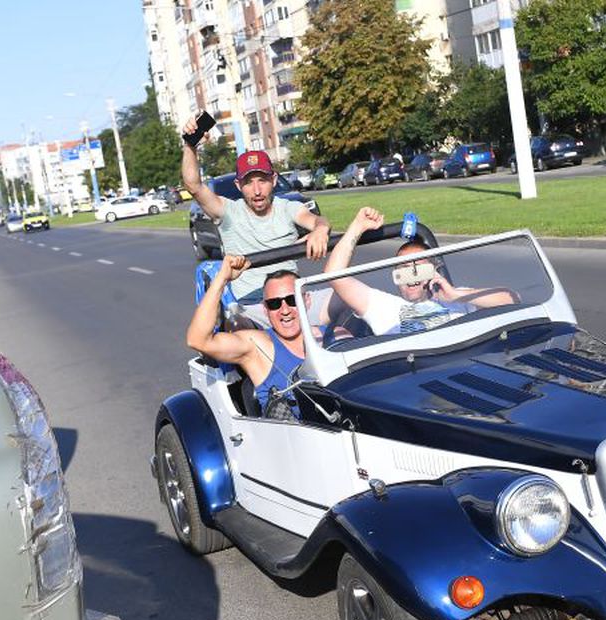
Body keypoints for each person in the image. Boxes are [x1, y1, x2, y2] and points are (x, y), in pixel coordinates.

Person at [181, 115, 331, 305]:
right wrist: (190, 146)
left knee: (343, 306)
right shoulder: (228, 211)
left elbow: (317, 220)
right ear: (238, 185)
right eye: (249, 183)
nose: (257, 191)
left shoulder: (287, 208)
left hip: (294, 302)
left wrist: (320, 230)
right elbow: (193, 186)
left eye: (262, 181)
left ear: (274, 181)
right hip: (251, 306)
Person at [323, 207, 514, 335]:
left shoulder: (457, 298)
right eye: (404, 269)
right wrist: (358, 226)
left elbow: (511, 298)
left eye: (419, 269)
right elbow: (335, 275)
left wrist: (457, 296)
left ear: (433, 271)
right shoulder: (383, 306)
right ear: (396, 276)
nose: (412, 277)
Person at [186, 254, 310, 417]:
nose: (285, 310)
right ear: (265, 310)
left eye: (292, 300)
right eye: (274, 304)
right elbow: (197, 340)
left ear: (307, 300)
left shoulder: (328, 333)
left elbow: (342, 285)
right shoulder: (259, 345)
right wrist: (222, 279)